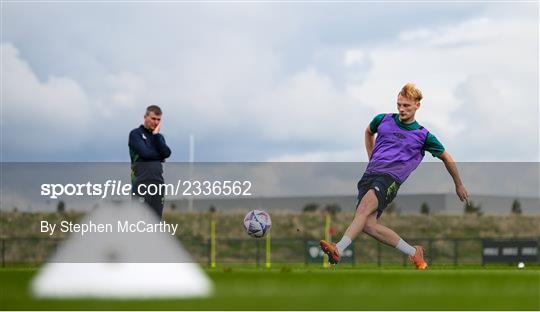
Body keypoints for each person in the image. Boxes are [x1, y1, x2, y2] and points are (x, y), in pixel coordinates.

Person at [320, 83, 469, 269]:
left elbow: (446, 157)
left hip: (390, 179)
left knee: (364, 208)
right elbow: (368, 132)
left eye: (406, 105)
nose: (401, 109)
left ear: (417, 105)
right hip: (370, 175)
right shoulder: (382, 119)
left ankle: (338, 249)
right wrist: (371, 157)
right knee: (367, 225)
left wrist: (459, 184)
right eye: (399, 104)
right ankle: (414, 252)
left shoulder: (423, 136)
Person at [128, 105, 171, 218]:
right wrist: (159, 156)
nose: (156, 122)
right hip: (141, 183)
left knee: (156, 224)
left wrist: (156, 136)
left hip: (158, 184)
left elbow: (167, 153)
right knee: (140, 222)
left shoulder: (159, 137)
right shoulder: (135, 134)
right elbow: (145, 154)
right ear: (145, 117)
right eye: (153, 118)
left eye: (158, 119)